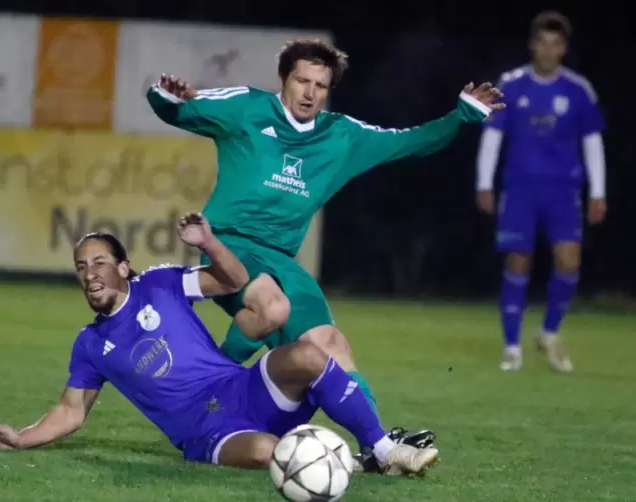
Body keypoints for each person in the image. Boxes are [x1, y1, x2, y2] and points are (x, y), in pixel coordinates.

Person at [145, 38, 503, 469]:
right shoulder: (246, 107)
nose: (310, 92)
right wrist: (164, 94)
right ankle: (211, 396)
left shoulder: (342, 135)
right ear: (284, 80)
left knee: (330, 344)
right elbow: (180, 109)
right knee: (272, 309)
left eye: (321, 85)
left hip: (280, 258)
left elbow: (410, 143)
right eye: (302, 81)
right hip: (229, 245)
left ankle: (378, 448)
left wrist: (461, 115)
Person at [0, 212, 439, 477]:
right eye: (82, 267)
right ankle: (347, 465)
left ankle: (381, 449)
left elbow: (232, 278)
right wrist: (22, 437)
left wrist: (209, 243)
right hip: (203, 430)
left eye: (100, 263)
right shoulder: (90, 345)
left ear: (124, 267)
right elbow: (71, 411)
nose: (91, 274)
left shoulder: (162, 283)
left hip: (239, 388)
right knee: (267, 453)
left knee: (311, 354)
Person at [475, 11, 606, 372]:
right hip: (520, 190)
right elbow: (493, 135)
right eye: (542, 42)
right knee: (518, 260)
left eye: (555, 44)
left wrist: (599, 191)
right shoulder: (512, 84)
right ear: (532, 45)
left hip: (564, 191)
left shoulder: (578, 90)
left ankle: (549, 334)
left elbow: (592, 141)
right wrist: (484, 183)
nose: (548, 50)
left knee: (569, 261)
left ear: (563, 49)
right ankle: (512, 345)